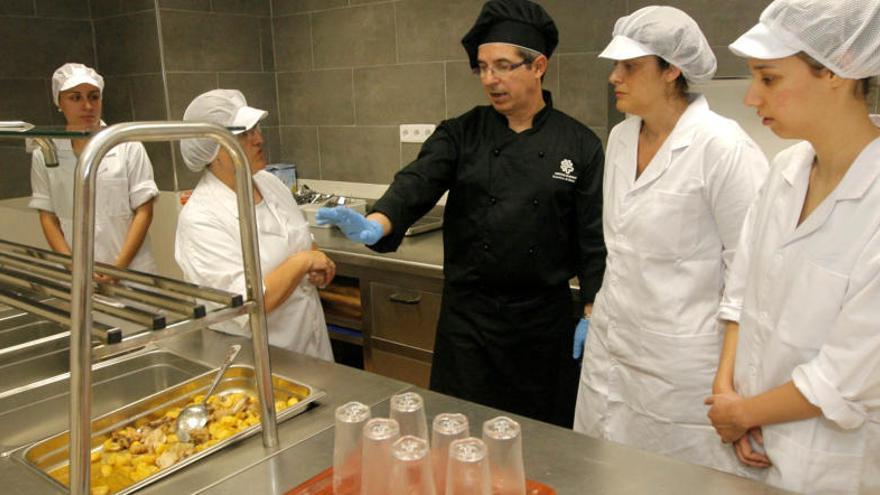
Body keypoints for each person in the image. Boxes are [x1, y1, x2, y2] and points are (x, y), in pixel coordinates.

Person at [317, 0, 605, 426]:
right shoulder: (461, 132)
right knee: (459, 434)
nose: (491, 79)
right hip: (469, 324)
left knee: (545, 444)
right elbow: (417, 182)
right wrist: (378, 223)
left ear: (539, 66)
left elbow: (593, 236)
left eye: (504, 66)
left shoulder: (579, 145)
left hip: (543, 327)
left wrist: (593, 311)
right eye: (483, 68)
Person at [572, 6, 769, 475]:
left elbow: (752, 275)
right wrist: (596, 309)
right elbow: (619, 247)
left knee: (673, 480)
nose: (614, 77)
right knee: (603, 472)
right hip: (613, 349)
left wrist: (740, 387)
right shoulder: (621, 138)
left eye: (630, 66)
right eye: (614, 65)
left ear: (671, 70)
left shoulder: (723, 148)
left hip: (683, 367)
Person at [705, 0, 880, 492]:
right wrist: (728, 394)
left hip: (829, 463)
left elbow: (848, 374)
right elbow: (740, 293)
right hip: (749, 440)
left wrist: (744, 412)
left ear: (837, 72)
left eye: (769, 79)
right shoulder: (785, 170)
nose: (751, 99)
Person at [175, 89, 334, 361]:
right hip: (258, 359)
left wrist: (318, 265)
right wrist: (304, 262)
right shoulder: (201, 219)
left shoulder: (269, 183)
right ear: (213, 150)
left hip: (311, 346)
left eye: (256, 129)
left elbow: (301, 241)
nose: (259, 139)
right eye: (244, 134)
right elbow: (246, 303)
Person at [29, 63, 158, 277]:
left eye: (94, 97)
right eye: (75, 98)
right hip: (79, 272)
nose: (87, 106)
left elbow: (144, 211)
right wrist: (74, 267)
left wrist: (118, 269)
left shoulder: (127, 144)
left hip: (132, 271)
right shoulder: (45, 151)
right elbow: (48, 216)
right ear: (59, 102)